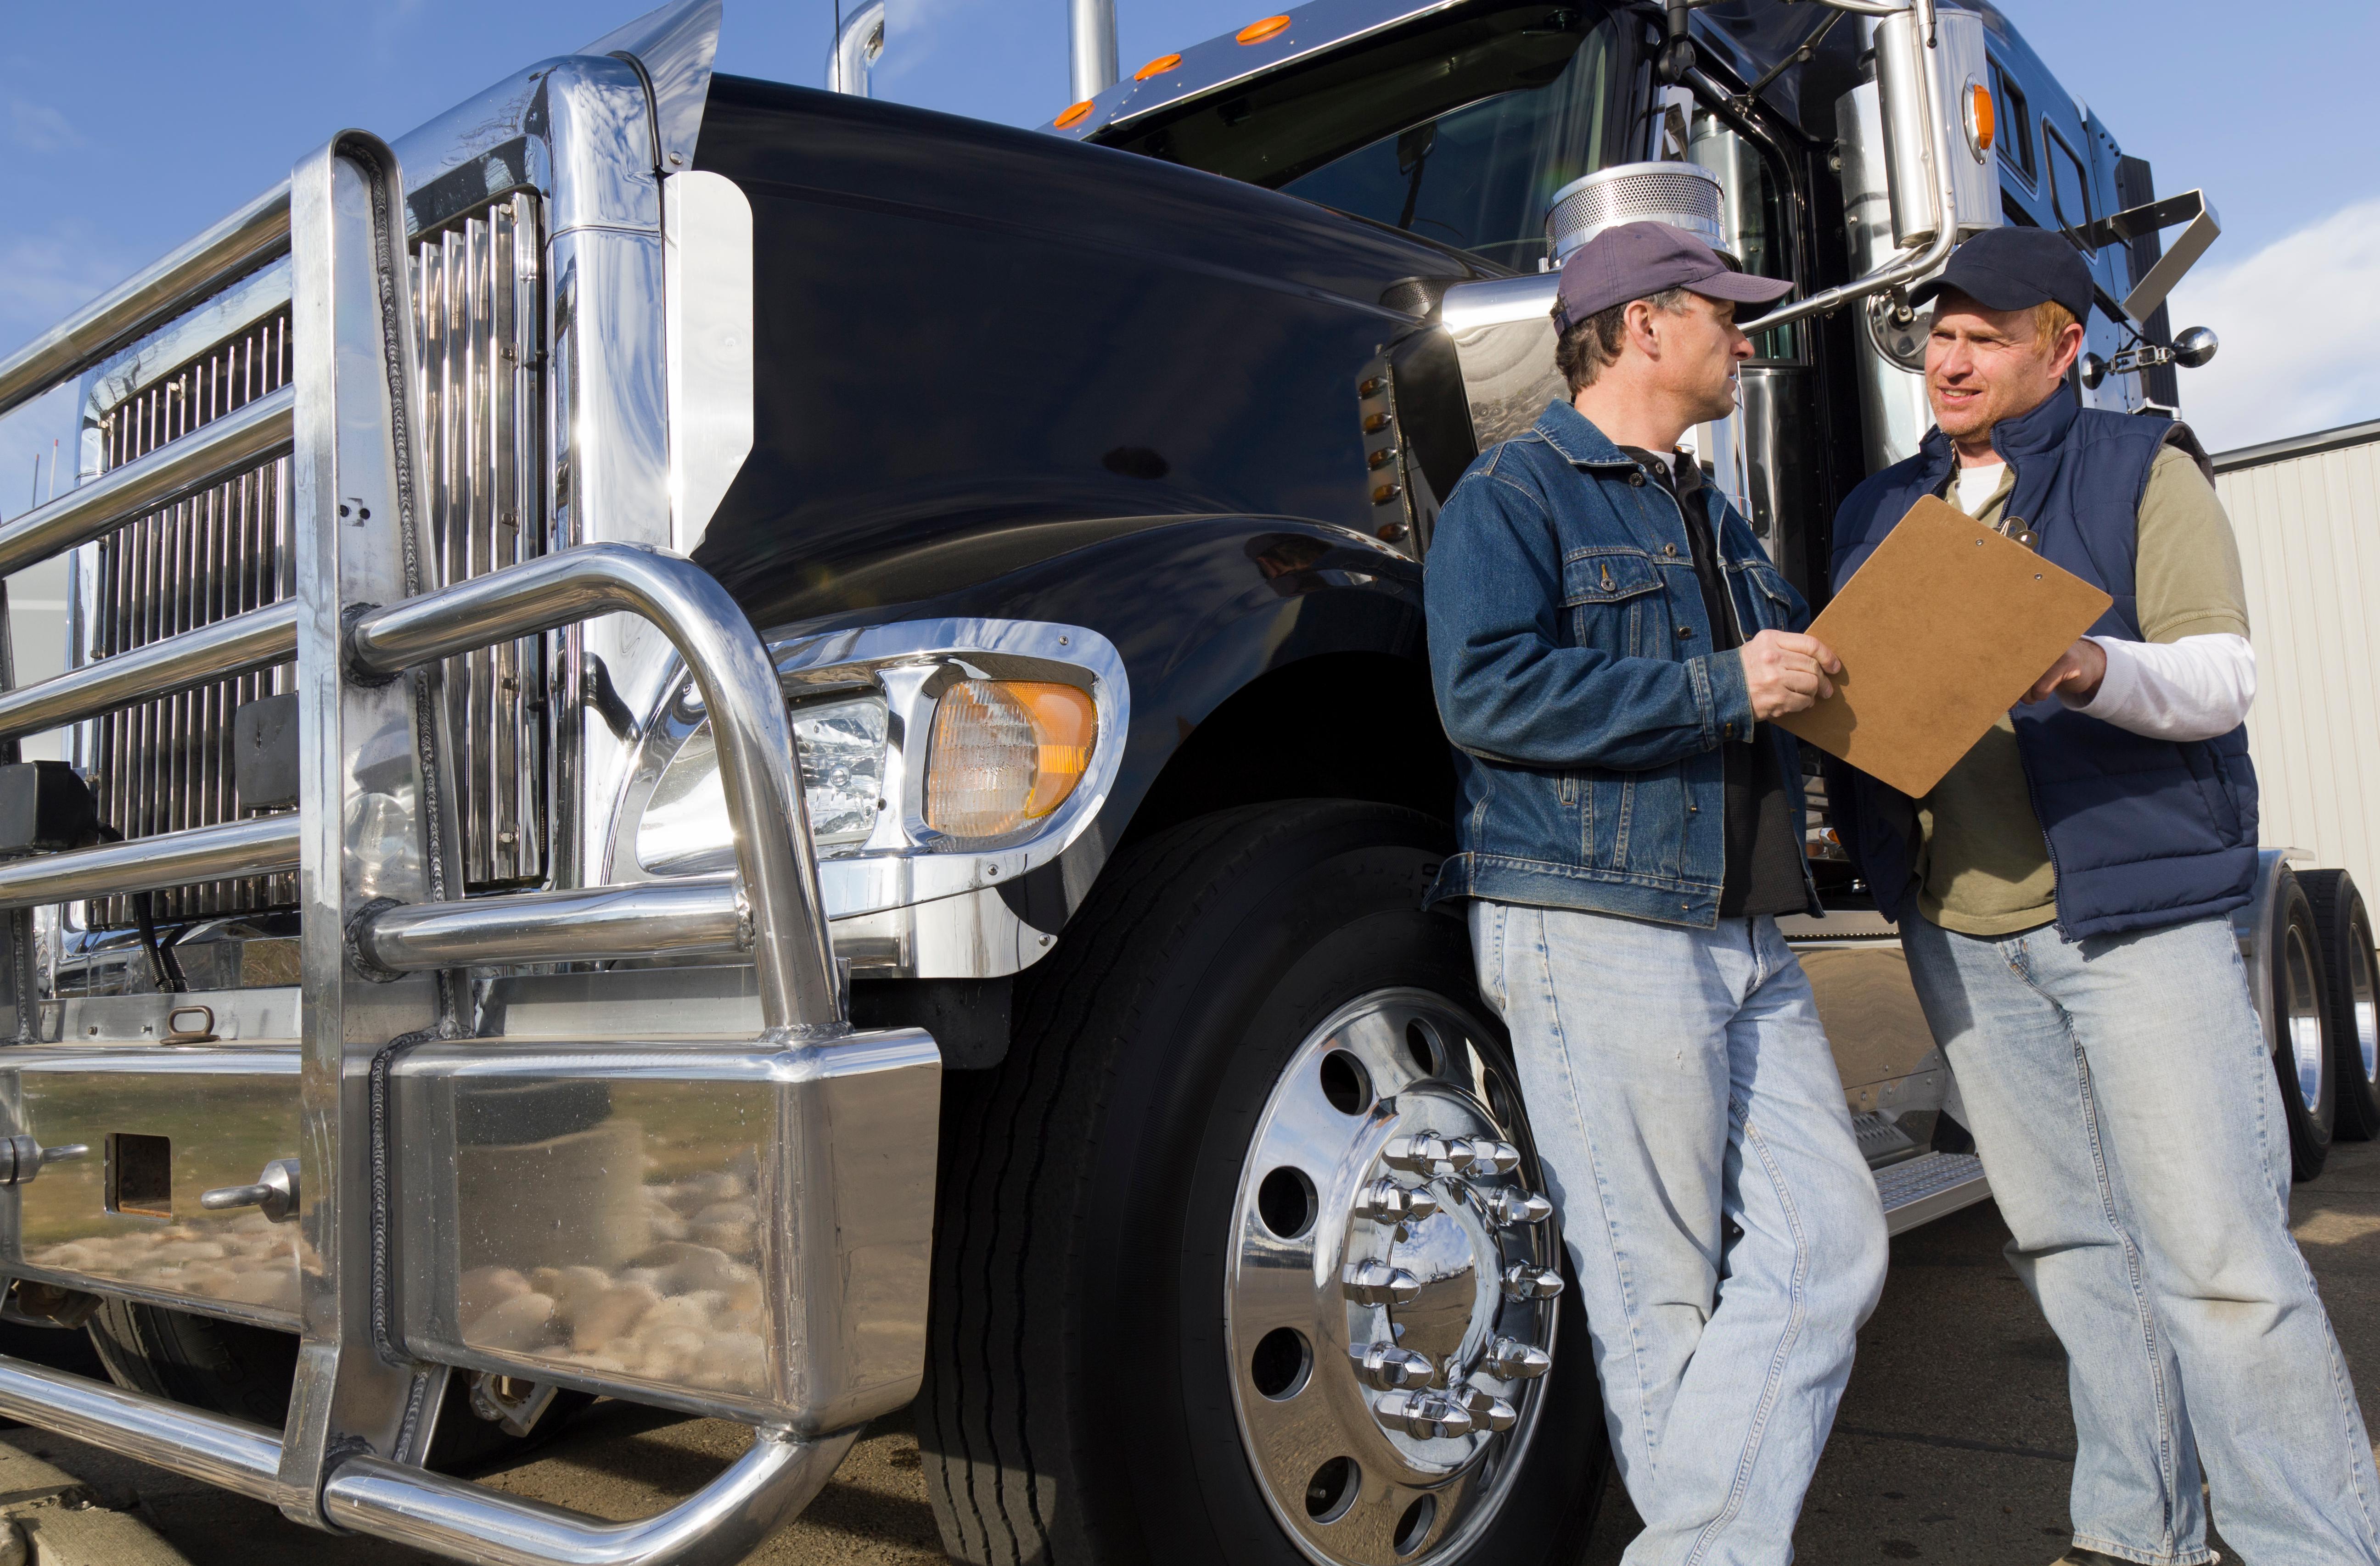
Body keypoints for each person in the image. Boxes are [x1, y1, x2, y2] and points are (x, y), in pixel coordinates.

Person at [1826, 224, 2380, 1566]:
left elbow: (2220, 679)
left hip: (2138, 927)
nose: (1950, 360)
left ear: (2061, 345)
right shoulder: (1878, 509)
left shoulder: (2145, 468)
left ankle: (2309, 1541)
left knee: (2222, 1261)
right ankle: (2140, 1532)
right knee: (2073, 1248)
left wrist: (2087, 669)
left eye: (1985, 336)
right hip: (1964, 932)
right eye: (1939, 336)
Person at [1424, 220, 1888, 1563]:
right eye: (1722, 312)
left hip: (1742, 926)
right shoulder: (1514, 494)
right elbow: (1487, 691)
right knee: (1658, 1303)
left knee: (1838, 1242)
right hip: (1597, 923)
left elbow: (1813, 667)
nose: (1745, 338)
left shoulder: (1709, 512)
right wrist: (1723, 685)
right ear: (1640, 326)